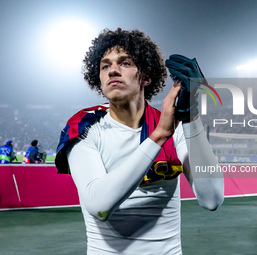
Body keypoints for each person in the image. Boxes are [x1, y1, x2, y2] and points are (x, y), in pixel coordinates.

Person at [55, 28, 224, 254]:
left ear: (146, 77)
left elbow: (211, 199)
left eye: (124, 63)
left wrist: (191, 116)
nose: (113, 70)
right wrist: (159, 135)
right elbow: (98, 206)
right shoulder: (85, 126)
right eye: (105, 66)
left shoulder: (175, 126)